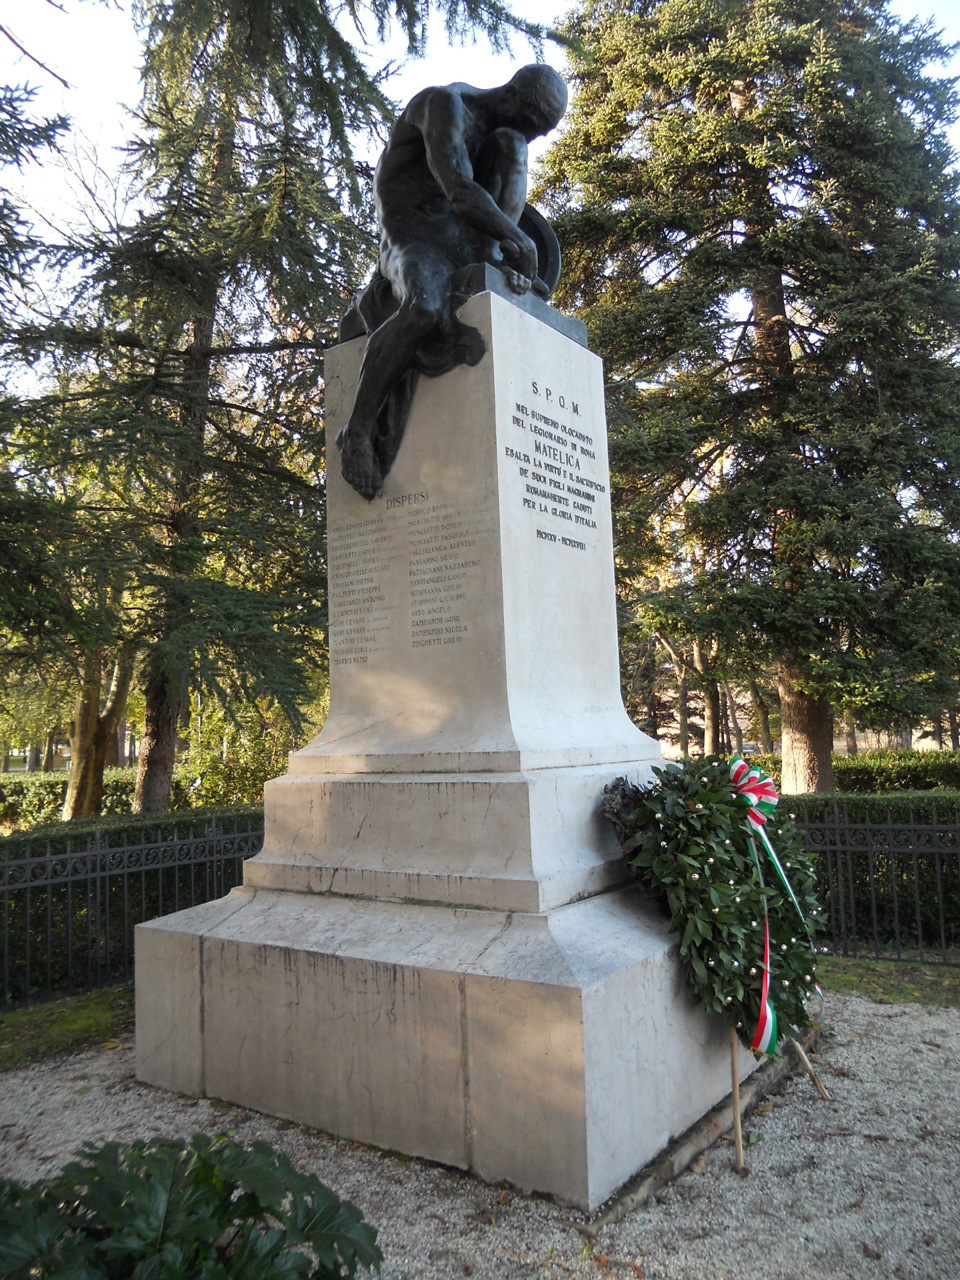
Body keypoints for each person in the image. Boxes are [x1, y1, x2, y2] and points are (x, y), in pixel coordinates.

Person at [336, 64, 568, 500]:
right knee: (424, 305)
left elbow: (483, 188)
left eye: (542, 131)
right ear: (513, 92)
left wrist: (503, 247)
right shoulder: (442, 105)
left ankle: (493, 261)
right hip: (411, 235)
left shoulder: (505, 136)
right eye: (532, 122)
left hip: (464, 241)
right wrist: (518, 238)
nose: (533, 135)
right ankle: (358, 434)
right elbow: (459, 189)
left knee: (509, 145)